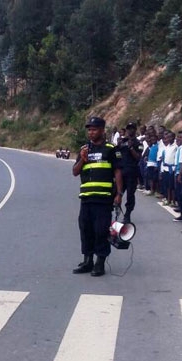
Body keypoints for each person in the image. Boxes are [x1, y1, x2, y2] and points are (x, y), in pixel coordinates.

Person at [71, 116, 123, 277]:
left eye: (94, 129)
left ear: (102, 130)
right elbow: (75, 171)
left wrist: (119, 194)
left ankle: (100, 262)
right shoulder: (84, 149)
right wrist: (83, 159)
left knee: (101, 230)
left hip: (104, 198)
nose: (91, 132)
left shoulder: (111, 149)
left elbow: (118, 172)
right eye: (89, 130)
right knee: (85, 229)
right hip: (86, 197)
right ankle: (87, 261)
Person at [116, 122, 142, 223]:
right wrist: (117, 147)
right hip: (121, 171)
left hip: (132, 172)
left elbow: (138, 158)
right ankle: (117, 211)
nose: (130, 130)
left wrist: (131, 148)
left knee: (130, 195)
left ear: (135, 130)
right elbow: (117, 155)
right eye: (128, 128)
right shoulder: (122, 141)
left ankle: (127, 214)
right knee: (117, 192)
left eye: (132, 128)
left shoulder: (138, 143)